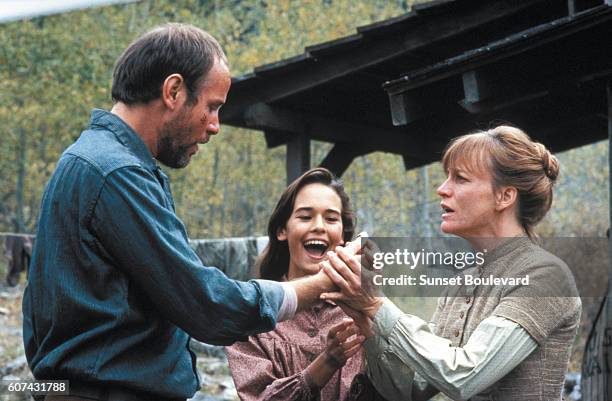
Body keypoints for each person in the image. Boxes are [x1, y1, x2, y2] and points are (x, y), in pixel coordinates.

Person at [22, 24, 337, 401]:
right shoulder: (117, 173)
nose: (215, 126)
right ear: (173, 91)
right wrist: (316, 287)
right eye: (212, 107)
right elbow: (207, 306)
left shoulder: (90, 162)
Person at [321, 126, 581, 400]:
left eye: (461, 178)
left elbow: (464, 376)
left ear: (504, 196)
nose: (442, 189)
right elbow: (409, 389)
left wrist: (376, 304)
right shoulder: (462, 282)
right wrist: (366, 320)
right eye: (447, 177)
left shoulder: (545, 276)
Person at [226, 168, 378, 401]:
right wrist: (327, 361)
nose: (319, 226)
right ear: (281, 231)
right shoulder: (254, 312)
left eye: (331, 218)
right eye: (305, 217)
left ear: (343, 237)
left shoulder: (365, 310)